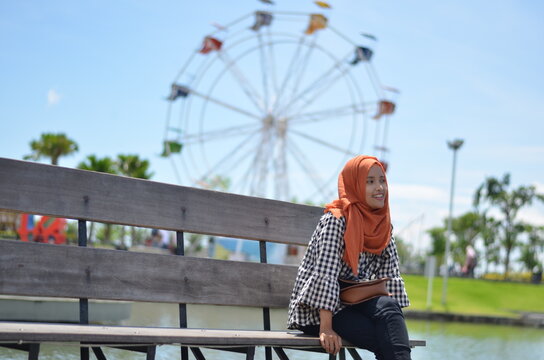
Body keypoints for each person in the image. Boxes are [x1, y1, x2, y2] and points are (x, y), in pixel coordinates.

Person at [287, 155, 412, 360]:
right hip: (318, 312)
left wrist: (395, 322)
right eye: (370, 181)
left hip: (353, 302)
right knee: (388, 340)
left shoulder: (382, 225)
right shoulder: (336, 221)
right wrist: (326, 328)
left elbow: (389, 278)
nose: (379, 187)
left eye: (382, 180)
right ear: (354, 185)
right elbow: (325, 273)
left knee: (389, 314)